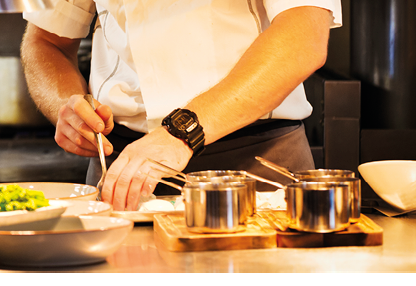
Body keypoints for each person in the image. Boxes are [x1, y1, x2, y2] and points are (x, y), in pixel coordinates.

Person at [21, 1, 343, 211]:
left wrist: (181, 132)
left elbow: (302, 36)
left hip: (254, 165)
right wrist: (67, 105)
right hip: (119, 167)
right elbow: (46, 41)